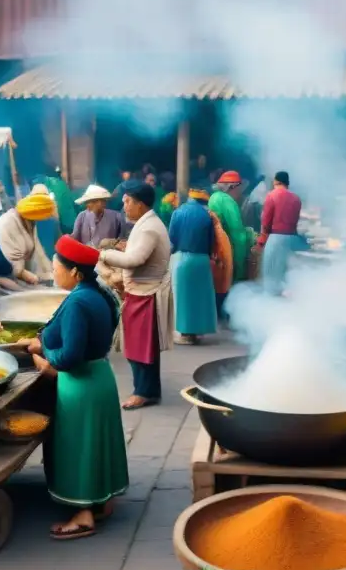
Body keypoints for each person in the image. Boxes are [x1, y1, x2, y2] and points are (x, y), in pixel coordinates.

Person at [23, 236, 128, 540]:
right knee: (97, 444)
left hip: (80, 384)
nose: (53, 273)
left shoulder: (79, 302)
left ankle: (83, 515)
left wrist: (44, 356)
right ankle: (102, 502)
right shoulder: (100, 293)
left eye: (56, 268)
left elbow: (68, 357)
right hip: (100, 377)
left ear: (75, 273)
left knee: (78, 448)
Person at [99, 182, 173, 410]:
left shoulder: (149, 227)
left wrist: (103, 254)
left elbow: (135, 260)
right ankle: (148, 390)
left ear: (140, 204)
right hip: (139, 292)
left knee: (141, 348)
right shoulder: (145, 223)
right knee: (139, 346)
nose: (124, 207)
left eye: (127, 202)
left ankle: (143, 392)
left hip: (146, 293)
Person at [169, 189, 218, 345]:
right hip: (202, 259)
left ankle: (185, 333)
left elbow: (172, 238)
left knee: (183, 298)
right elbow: (212, 240)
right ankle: (196, 332)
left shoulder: (178, 212)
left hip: (182, 258)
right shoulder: (207, 215)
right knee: (199, 298)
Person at [0, 191, 55, 291]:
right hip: (2, 278)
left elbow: (39, 252)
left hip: (18, 275)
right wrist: (23, 273)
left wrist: (50, 272)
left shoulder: (29, 221)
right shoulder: (8, 223)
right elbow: (7, 260)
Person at [208, 171, 254, 296]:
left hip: (215, 250)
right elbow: (238, 234)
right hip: (227, 251)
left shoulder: (213, 197)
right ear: (232, 187)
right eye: (239, 189)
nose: (240, 193)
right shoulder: (228, 201)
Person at [258, 171, 302, 296]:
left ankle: (271, 303)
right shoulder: (296, 199)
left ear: (276, 181)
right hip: (292, 239)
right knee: (285, 274)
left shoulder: (272, 195)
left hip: (275, 239)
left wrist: (262, 240)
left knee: (271, 274)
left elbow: (266, 220)